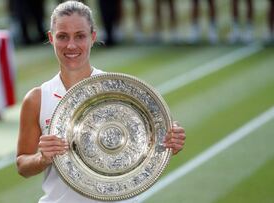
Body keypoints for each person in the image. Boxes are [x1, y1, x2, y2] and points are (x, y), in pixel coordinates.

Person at [16, 1, 186, 202]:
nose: (71, 45)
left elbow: (147, 144)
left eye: (80, 36)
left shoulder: (119, 89)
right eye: (63, 36)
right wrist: (41, 158)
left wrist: (168, 142)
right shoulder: (37, 98)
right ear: (51, 38)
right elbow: (22, 165)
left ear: (93, 37)